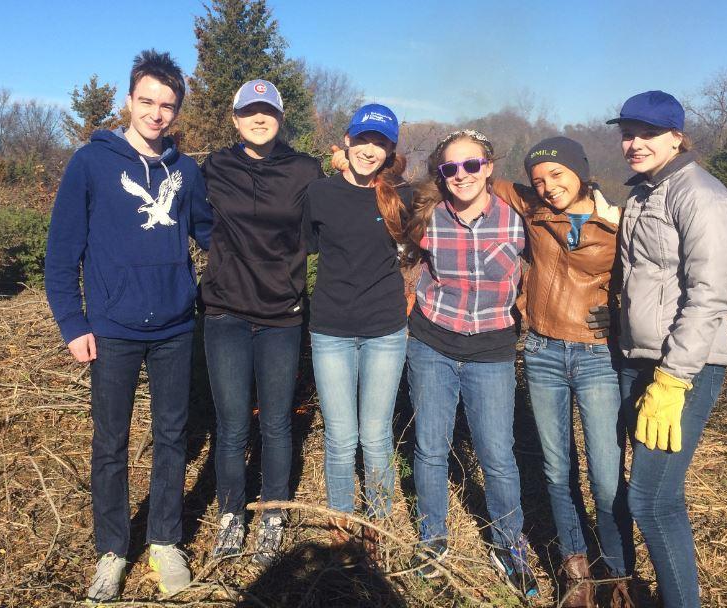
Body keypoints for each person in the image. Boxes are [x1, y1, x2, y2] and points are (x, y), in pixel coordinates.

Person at [44, 50, 213, 601]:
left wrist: (273, 247)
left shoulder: (185, 171)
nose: (157, 114)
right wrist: (73, 322)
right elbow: (62, 252)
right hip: (111, 327)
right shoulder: (89, 163)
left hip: (173, 326)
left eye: (167, 105)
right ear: (129, 100)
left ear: (177, 110)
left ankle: (165, 539)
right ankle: (113, 550)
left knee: (171, 437)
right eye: (147, 102)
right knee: (110, 443)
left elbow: (211, 234)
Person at [608, 91, 727, 608]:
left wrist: (674, 377)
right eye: (627, 132)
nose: (633, 143)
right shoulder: (644, 193)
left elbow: (709, 297)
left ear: (676, 137)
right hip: (639, 358)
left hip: (683, 367)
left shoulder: (701, 195)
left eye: (646, 133)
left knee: (651, 498)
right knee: (657, 493)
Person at [494, 138, 636, 607]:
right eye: (539, 180)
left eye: (557, 175)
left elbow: (650, 279)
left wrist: (621, 314)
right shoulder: (533, 210)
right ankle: (575, 571)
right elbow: (470, 174)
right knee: (557, 470)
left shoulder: (617, 222)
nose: (548, 186)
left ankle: (619, 575)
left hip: (597, 355)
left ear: (580, 171)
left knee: (606, 474)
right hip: (541, 351)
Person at [403, 129, 538, 599]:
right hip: (432, 344)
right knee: (431, 449)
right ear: (440, 175)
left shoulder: (520, 218)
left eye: (471, 165)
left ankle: (509, 545)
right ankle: (431, 540)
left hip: (492, 350)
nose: (461, 175)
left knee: (497, 456)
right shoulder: (428, 217)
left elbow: (567, 240)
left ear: (489, 166)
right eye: (450, 168)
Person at [200, 79, 323, 563]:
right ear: (235, 119)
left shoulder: (305, 170)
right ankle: (232, 515)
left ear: (279, 118)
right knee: (231, 425)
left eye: (266, 111)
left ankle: (271, 514)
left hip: (281, 316)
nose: (258, 118)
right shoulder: (214, 167)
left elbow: (322, 228)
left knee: (275, 422)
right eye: (249, 111)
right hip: (225, 313)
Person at [304, 103, 410, 560]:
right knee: (341, 434)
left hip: (385, 329)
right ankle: (341, 519)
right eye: (363, 140)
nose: (370, 149)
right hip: (330, 328)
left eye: (380, 143)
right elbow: (297, 247)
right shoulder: (319, 194)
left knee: (376, 434)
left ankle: (379, 519)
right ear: (346, 143)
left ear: (390, 151)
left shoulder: (400, 197)